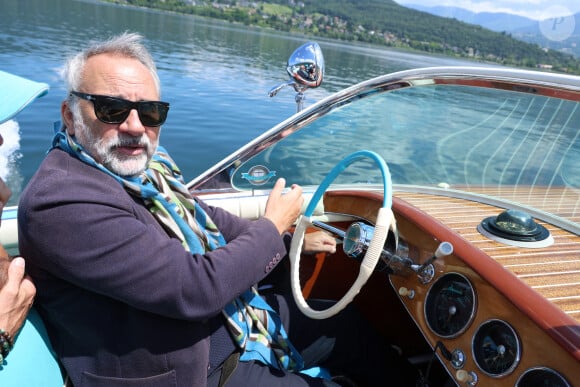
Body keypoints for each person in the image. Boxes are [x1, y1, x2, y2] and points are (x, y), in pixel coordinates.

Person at [18, 33, 419, 386]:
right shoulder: (61, 202)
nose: (136, 126)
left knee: (344, 329)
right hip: (188, 369)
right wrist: (270, 227)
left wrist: (287, 237)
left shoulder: (145, 170)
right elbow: (195, 289)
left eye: (151, 112)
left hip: (230, 321)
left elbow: (206, 219)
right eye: (112, 109)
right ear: (70, 115)